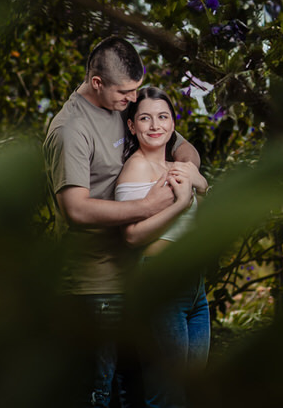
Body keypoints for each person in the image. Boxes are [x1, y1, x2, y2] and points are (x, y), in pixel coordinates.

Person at [43, 36, 202, 408]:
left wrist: (190, 172)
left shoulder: (119, 107)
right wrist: (149, 205)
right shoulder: (70, 130)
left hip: (134, 278)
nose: (132, 99)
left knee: (137, 392)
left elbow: (180, 143)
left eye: (135, 91)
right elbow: (76, 209)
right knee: (98, 392)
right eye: (126, 92)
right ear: (97, 83)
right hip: (94, 286)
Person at [115, 86, 210, 408]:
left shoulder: (175, 166)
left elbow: (204, 191)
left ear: (173, 123)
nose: (155, 125)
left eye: (162, 117)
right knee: (166, 395)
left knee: (192, 388)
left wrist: (199, 182)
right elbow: (131, 236)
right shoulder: (136, 168)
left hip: (194, 288)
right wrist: (180, 204)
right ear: (132, 126)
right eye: (145, 118)